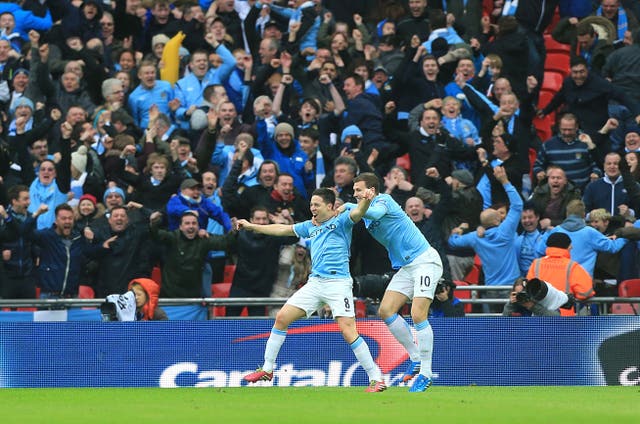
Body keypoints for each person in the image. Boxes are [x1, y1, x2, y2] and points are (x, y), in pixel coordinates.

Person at [239, 187, 387, 392]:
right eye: (311, 205)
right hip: (315, 283)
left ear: (330, 205)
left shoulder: (342, 220)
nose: (312, 208)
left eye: (316, 204)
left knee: (348, 330)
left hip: (338, 284)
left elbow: (357, 213)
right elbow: (283, 229)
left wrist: (365, 201)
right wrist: (252, 226)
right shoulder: (310, 226)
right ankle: (267, 368)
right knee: (282, 318)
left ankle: (376, 378)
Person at [343, 172, 444, 392]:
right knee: (386, 310)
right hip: (407, 267)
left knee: (418, 314)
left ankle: (426, 373)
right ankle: (415, 357)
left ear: (371, 190)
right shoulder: (364, 211)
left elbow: (375, 211)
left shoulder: (384, 201)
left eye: (358, 190)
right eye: (354, 190)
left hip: (425, 260)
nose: (355, 194)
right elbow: (357, 215)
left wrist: (349, 205)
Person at [227, 206, 297, 317]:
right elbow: (226, 245)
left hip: (261, 288)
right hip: (240, 286)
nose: (261, 222)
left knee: (257, 327)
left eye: (264, 219)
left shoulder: (274, 235)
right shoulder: (240, 234)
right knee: (228, 323)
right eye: (258, 219)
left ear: (269, 220)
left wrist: (285, 222)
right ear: (251, 220)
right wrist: (232, 232)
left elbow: (294, 237)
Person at [149, 210, 233, 298]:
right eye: (187, 223)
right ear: (180, 227)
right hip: (170, 296)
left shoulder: (203, 239)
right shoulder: (172, 238)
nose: (191, 226)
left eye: (194, 223)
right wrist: (153, 224)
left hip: (194, 297)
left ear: (198, 226)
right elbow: (155, 235)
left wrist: (234, 230)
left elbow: (225, 242)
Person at [527, 232, 595, 316]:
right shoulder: (572, 266)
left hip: (539, 316)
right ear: (566, 247)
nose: (572, 247)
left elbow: (528, 290)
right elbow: (585, 292)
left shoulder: (536, 264)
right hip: (563, 317)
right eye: (570, 245)